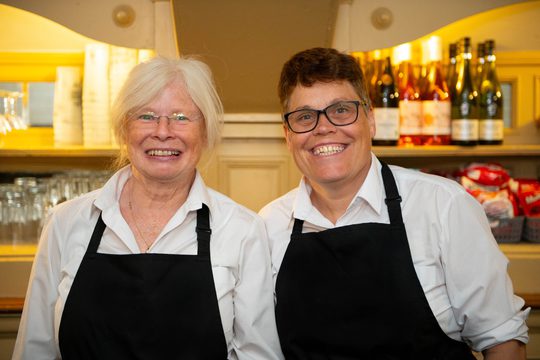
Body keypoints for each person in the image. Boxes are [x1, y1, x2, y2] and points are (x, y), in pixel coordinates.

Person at [259, 47, 529, 359]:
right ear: (287, 135)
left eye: (341, 110)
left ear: (371, 121)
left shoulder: (443, 205)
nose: (323, 127)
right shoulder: (269, 225)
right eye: (305, 116)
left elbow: (502, 341)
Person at [13, 56, 283, 360]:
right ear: (123, 130)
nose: (163, 131)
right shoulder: (65, 222)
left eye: (181, 117)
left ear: (204, 132)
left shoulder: (242, 230)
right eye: (146, 116)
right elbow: (35, 350)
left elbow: (258, 356)